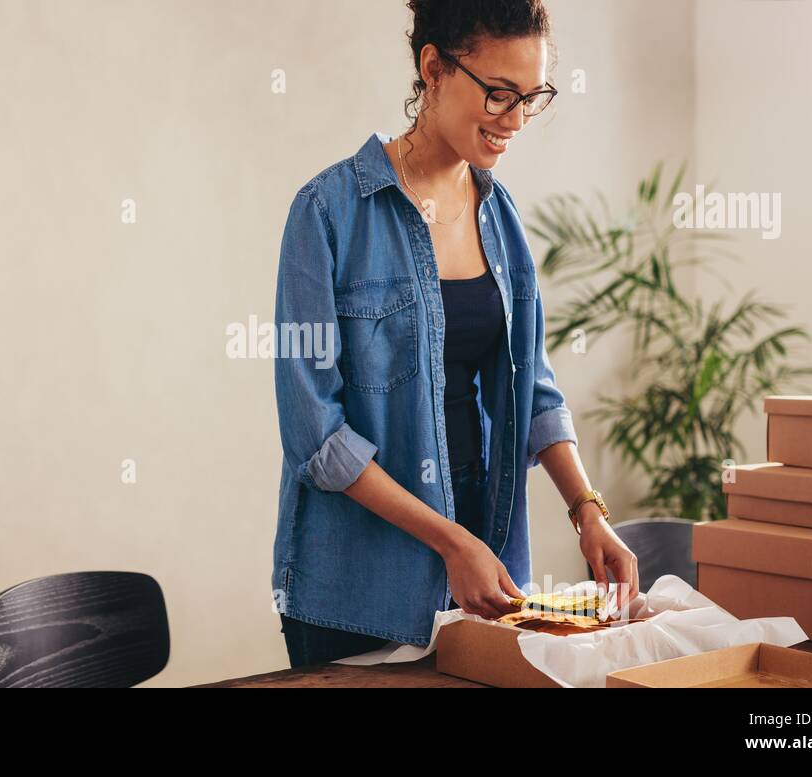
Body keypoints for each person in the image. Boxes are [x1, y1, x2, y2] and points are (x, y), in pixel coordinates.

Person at [271, 0, 638, 668]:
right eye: (500, 94)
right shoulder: (328, 213)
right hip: (361, 590)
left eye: (533, 97)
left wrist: (587, 508)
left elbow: (535, 386)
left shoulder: (500, 216)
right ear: (433, 69)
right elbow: (317, 439)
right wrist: (448, 541)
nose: (517, 120)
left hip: (483, 569)